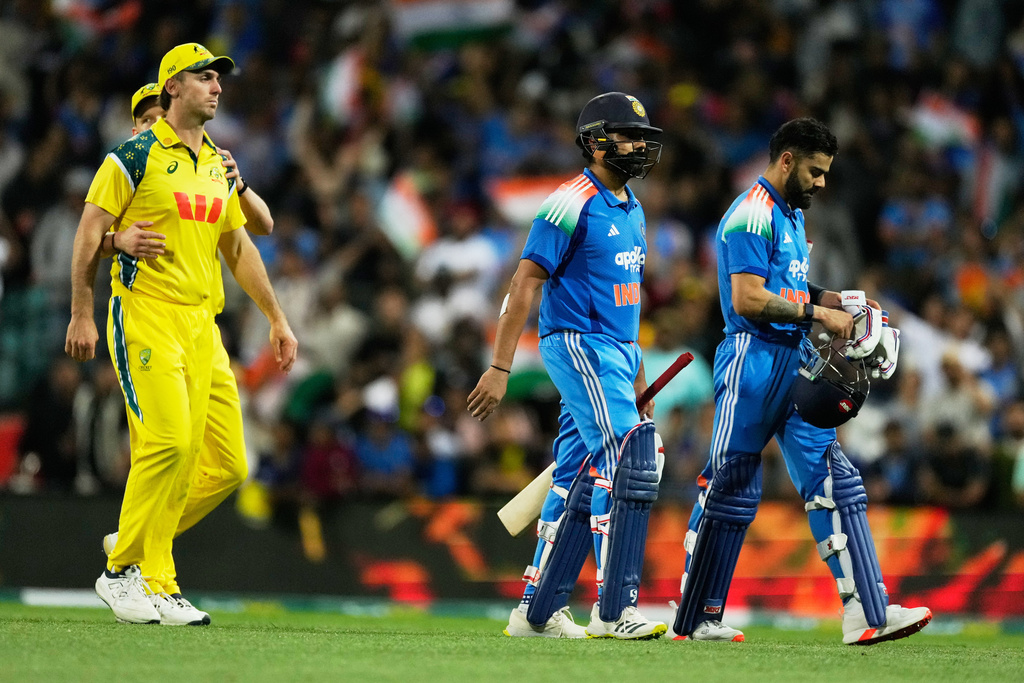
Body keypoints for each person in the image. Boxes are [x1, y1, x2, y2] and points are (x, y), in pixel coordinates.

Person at [670, 118, 931, 645]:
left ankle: (867, 614)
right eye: (815, 171)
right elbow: (746, 298)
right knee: (731, 488)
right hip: (752, 360)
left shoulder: (787, 215)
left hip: (795, 359)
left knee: (838, 481)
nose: (822, 183)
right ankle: (695, 616)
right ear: (786, 160)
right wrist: (816, 313)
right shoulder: (750, 214)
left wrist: (828, 298)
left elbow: (784, 281)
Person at [65, 43, 297, 626]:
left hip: (204, 325)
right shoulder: (132, 156)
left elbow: (241, 247)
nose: (218, 87)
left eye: (220, 79)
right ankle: (128, 573)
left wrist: (276, 316)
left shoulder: (219, 164)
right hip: (146, 311)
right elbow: (89, 229)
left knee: (227, 466)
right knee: (167, 444)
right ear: (173, 87)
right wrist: (81, 311)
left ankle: (136, 542)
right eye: (205, 77)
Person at [468, 92, 666, 639]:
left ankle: (536, 611)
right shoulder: (568, 202)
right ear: (597, 140)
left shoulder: (632, 208)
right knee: (633, 456)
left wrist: (638, 375)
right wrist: (501, 366)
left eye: (642, 136)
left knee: (576, 475)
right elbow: (524, 281)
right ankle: (614, 611)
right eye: (628, 135)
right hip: (579, 343)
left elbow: (628, 298)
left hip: (618, 352)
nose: (640, 145)